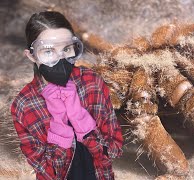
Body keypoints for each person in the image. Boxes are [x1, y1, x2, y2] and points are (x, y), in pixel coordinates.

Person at [11, 11, 123, 180]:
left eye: (66, 49)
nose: (60, 58)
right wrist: (60, 129)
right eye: (48, 51)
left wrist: (81, 121)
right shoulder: (24, 104)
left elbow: (114, 149)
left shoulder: (92, 82)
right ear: (32, 55)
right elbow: (48, 173)